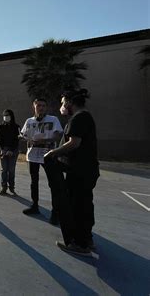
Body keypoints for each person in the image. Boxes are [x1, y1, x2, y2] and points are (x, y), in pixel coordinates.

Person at [45, 89, 99, 257]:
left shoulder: (79, 118)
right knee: (85, 205)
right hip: (85, 170)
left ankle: (81, 244)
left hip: (80, 171)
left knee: (77, 206)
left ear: (69, 102)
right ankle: (87, 239)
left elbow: (74, 143)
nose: (62, 106)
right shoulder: (85, 117)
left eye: (62, 103)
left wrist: (53, 153)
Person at [21, 98, 63, 224]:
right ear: (34, 107)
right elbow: (24, 135)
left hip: (48, 155)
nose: (41, 108)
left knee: (53, 184)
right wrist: (26, 139)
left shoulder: (53, 119)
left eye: (43, 106)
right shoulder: (29, 121)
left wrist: (44, 141)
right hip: (33, 156)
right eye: (38, 105)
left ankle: (55, 213)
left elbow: (58, 135)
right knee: (34, 182)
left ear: (46, 107)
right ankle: (35, 206)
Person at [0, 109, 20, 195]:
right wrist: (2, 150)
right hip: (3, 149)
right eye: (4, 115)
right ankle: (3, 187)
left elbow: (17, 140)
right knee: (4, 169)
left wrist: (11, 150)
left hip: (13, 150)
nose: (6, 117)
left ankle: (12, 187)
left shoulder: (17, 127)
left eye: (7, 115)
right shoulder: (1, 126)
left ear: (11, 116)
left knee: (11, 169)